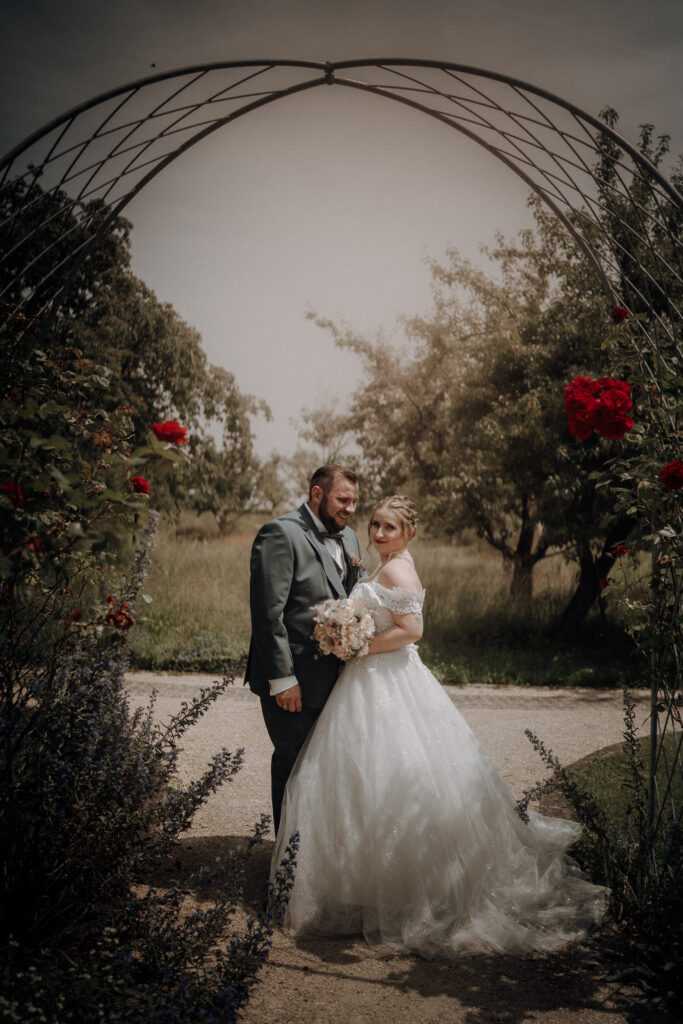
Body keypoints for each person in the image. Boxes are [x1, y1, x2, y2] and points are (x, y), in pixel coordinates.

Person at [271, 495, 607, 957]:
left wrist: (357, 646)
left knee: (392, 778)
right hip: (370, 679)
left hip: (384, 677)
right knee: (363, 781)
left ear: (409, 533)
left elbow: (412, 630)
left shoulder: (397, 569)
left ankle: (402, 889)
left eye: (390, 527)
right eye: (375, 524)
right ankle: (368, 884)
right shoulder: (387, 563)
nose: (380, 533)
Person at [245, 464, 364, 834]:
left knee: (330, 770)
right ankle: (286, 863)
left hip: (337, 681)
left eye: (355, 501)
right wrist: (282, 678)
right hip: (293, 680)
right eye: (343, 500)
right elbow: (268, 615)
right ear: (316, 494)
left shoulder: (351, 539)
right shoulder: (280, 533)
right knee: (293, 765)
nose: (350, 509)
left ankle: (317, 857)